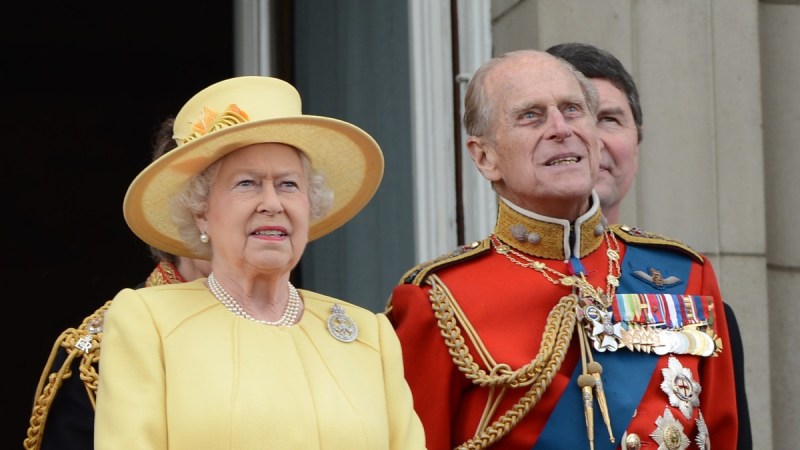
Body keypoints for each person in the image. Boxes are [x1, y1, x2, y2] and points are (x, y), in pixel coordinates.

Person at [386, 50, 738, 449]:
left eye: (572, 110)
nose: (560, 128)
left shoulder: (685, 274)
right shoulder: (437, 300)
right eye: (531, 116)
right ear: (484, 156)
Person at [93, 76, 426, 448]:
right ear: (201, 212)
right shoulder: (148, 321)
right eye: (247, 184)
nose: (272, 203)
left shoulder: (370, 335)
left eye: (288, 185)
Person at [547, 42, 752, 449]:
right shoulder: (451, 305)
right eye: (573, 114)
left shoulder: (700, 300)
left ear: (637, 143)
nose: (589, 138)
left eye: (608, 119)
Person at [24, 119, 211, 450]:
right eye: (243, 185)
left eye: (285, 184)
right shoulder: (101, 350)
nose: (266, 206)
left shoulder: (317, 326)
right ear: (185, 209)